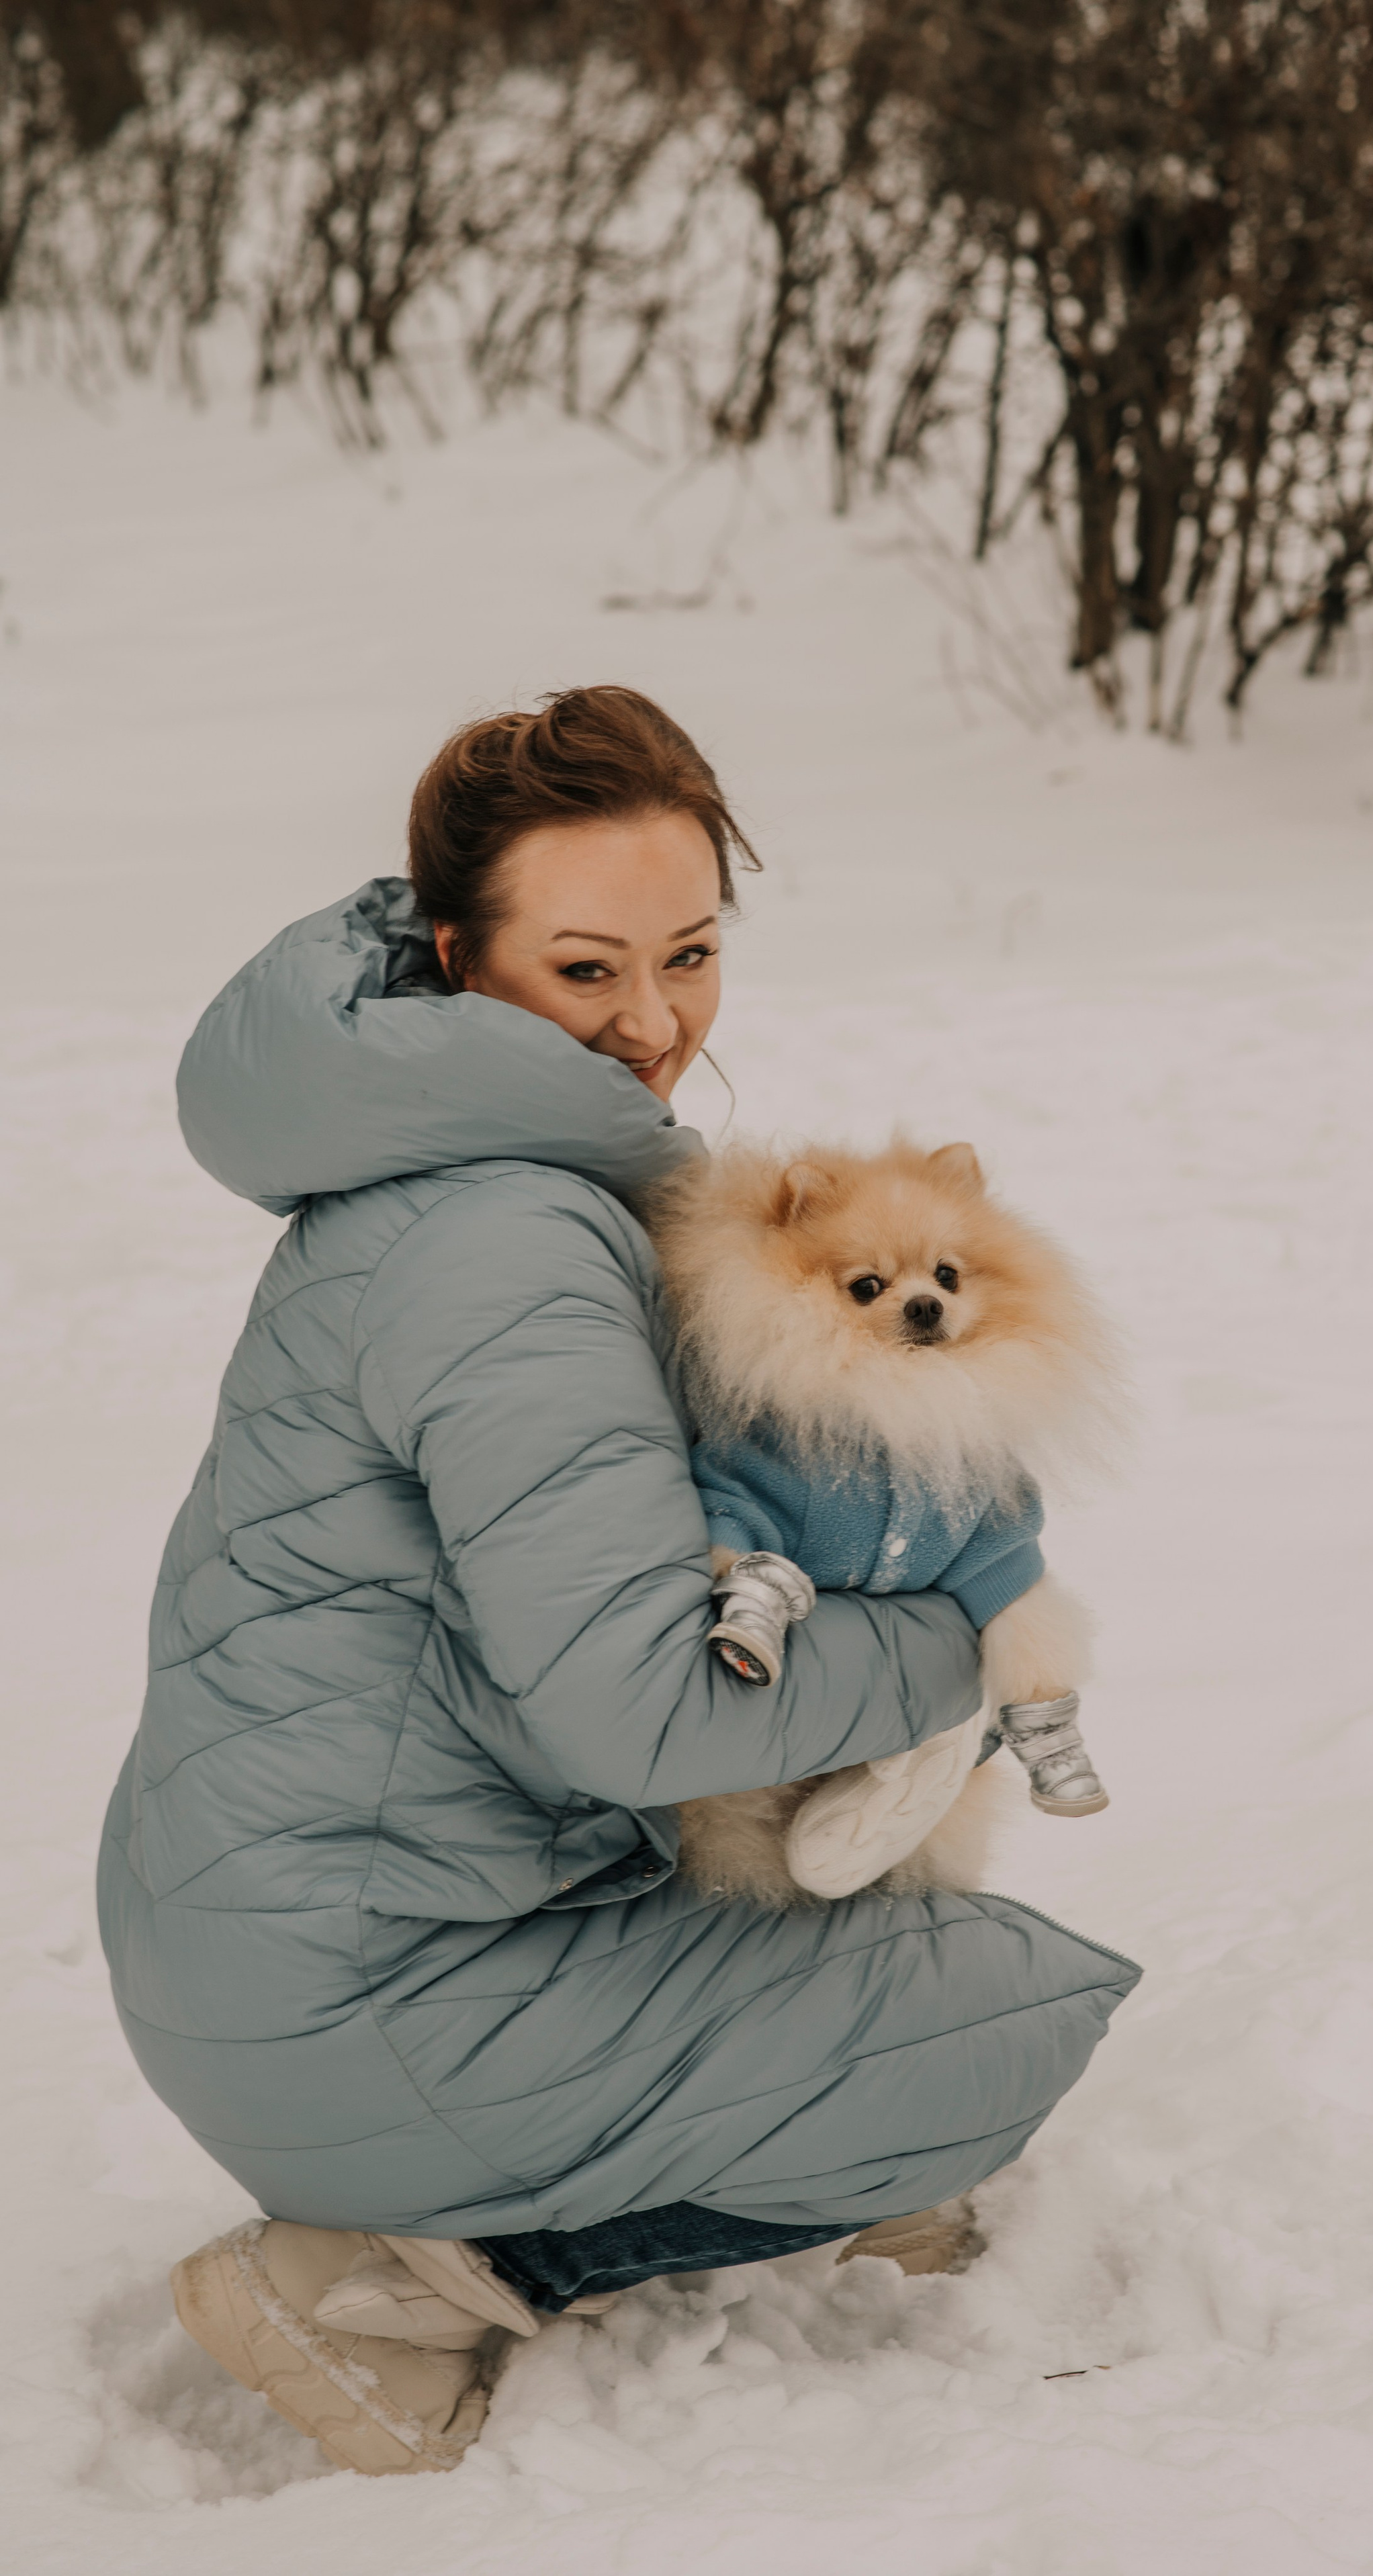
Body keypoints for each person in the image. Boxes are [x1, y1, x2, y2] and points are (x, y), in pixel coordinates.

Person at [96, 684, 1141, 2476]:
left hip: (287, 1938)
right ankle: (391, 2277)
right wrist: (954, 1633)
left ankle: (728, 2133)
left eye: (690, 953)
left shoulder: (451, 1179)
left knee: (874, 1920)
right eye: (587, 971)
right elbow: (639, 1703)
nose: (653, 1022)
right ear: (459, 957)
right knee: (1006, 2013)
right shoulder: (511, 1236)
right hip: (372, 1989)